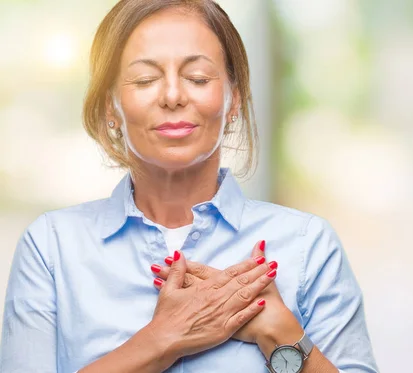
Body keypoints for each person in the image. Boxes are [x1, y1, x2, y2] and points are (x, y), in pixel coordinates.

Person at [0, 1, 378, 372]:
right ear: (109, 106)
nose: (172, 96)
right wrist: (162, 339)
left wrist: (282, 335)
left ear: (234, 99)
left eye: (197, 78)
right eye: (145, 79)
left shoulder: (307, 246)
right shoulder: (51, 248)